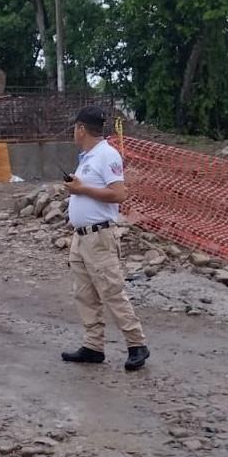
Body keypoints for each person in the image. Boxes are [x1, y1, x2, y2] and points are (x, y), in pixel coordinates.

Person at [60, 106, 150, 371]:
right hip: (82, 237)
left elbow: (119, 194)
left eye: (75, 128)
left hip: (99, 236)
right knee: (85, 294)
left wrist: (81, 189)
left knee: (111, 291)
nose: (74, 133)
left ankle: (136, 343)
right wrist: (78, 189)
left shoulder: (106, 155)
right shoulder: (88, 157)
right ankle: (93, 346)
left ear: (81, 129)